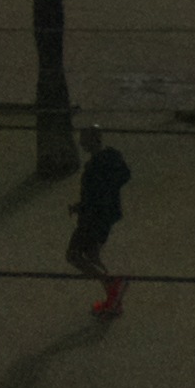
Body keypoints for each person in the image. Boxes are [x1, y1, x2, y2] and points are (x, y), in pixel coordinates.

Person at [66, 126, 132, 317]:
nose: (81, 142)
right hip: (104, 216)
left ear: (93, 139)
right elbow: (119, 180)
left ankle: (113, 285)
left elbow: (95, 194)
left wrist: (83, 207)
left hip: (92, 218)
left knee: (74, 255)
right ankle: (113, 301)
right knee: (92, 255)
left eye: (84, 138)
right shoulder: (110, 158)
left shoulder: (96, 165)